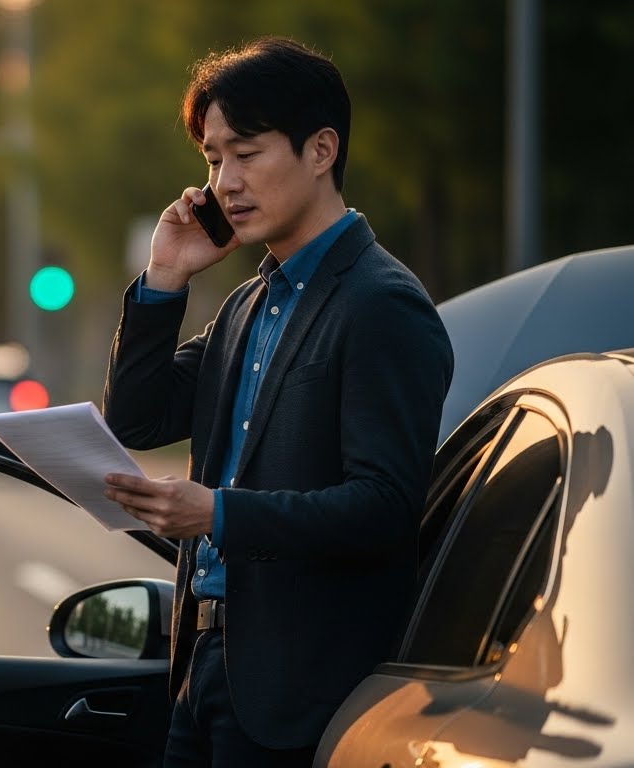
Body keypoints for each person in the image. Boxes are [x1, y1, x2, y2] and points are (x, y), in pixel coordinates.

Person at [101, 37, 454, 766]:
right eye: (211, 159)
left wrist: (217, 513)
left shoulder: (380, 305)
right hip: (203, 669)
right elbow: (137, 418)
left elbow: (386, 505)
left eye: (246, 153)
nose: (224, 181)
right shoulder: (248, 304)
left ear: (320, 150)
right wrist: (166, 275)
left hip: (300, 695)